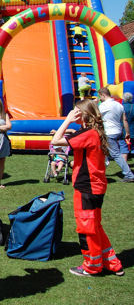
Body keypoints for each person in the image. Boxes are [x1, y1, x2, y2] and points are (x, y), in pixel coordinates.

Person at [51, 100, 124, 277]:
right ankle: (112, 262)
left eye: (76, 111)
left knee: (87, 229)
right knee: (95, 226)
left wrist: (67, 120)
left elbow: (55, 141)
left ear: (84, 114)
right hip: (96, 186)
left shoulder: (88, 133)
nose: (74, 113)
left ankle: (92, 266)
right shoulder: (93, 132)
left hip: (87, 188)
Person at [97, 87, 134, 182]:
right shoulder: (119, 105)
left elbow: (96, 116)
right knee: (106, 151)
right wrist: (127, 133)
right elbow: (124, 120)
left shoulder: (104, 106)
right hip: (119, 131)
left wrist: (95, 104)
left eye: (100, 96)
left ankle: (129, 175)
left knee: (116, 154)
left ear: (103, 95)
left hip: (109, 132)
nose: (100, 98)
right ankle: (100, 171)